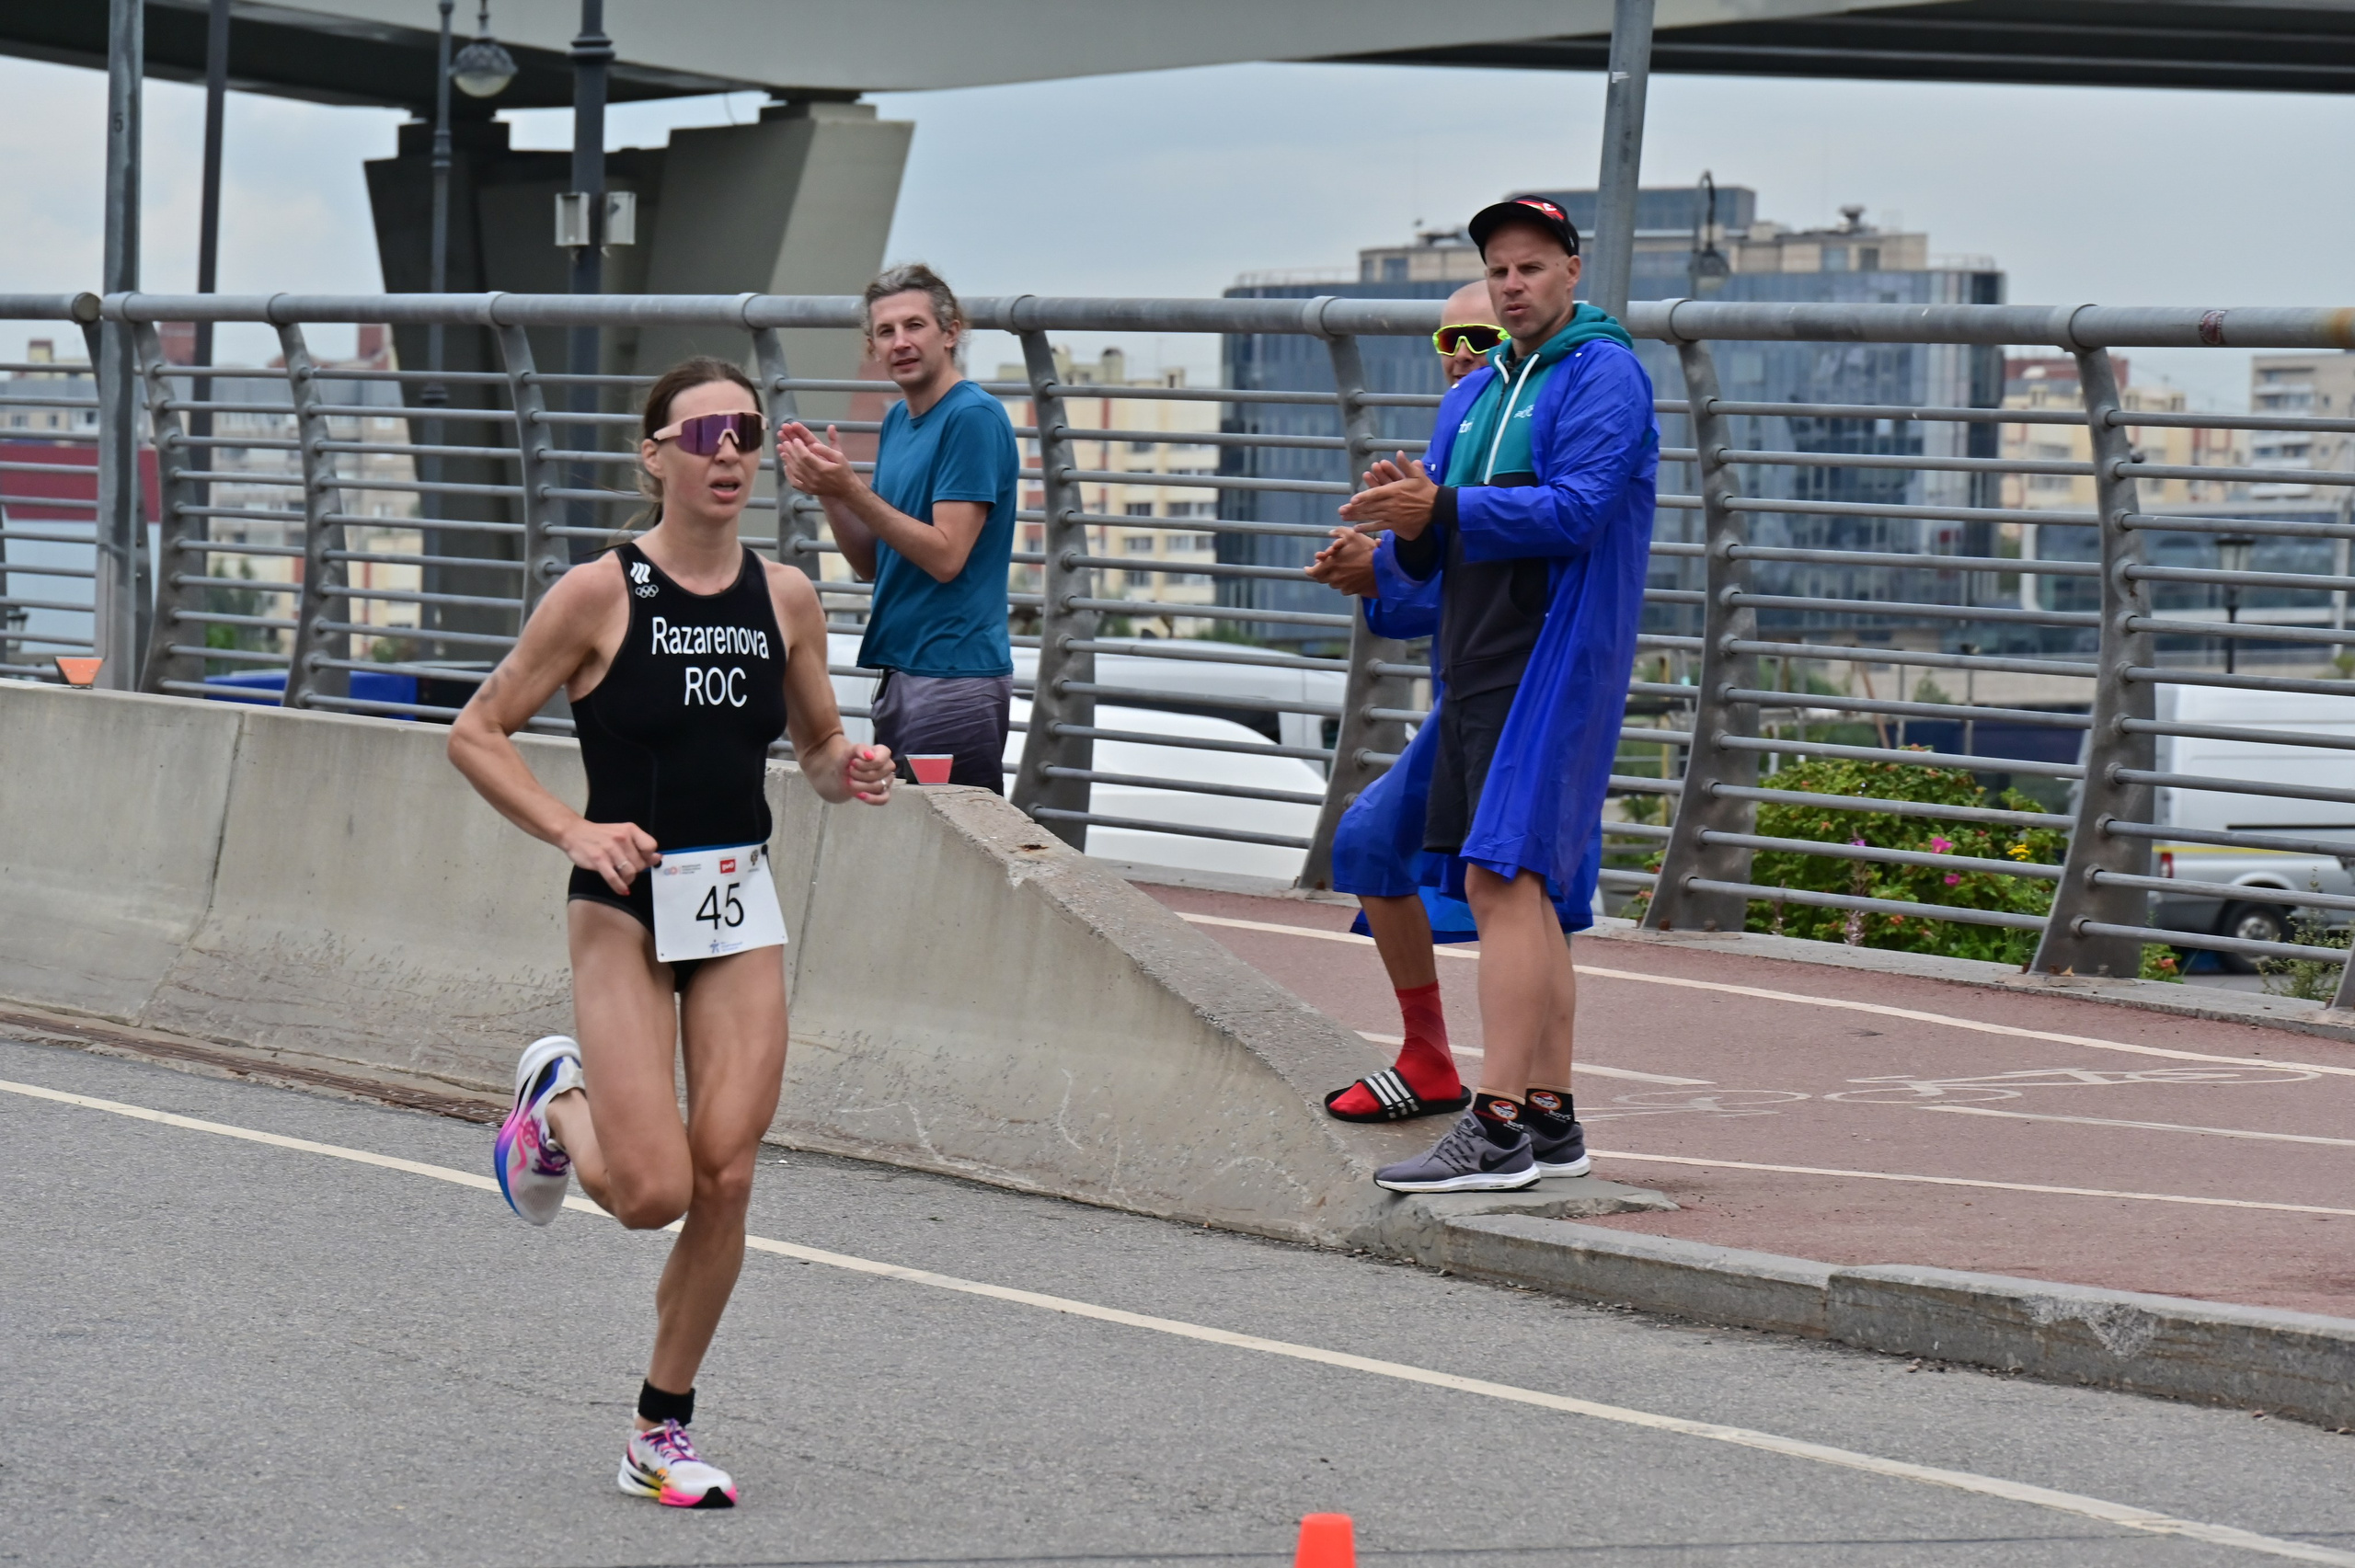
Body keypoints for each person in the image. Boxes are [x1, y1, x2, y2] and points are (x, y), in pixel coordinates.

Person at [448, 356, 896, 1509]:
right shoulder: (599, 592)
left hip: (734, 900)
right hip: (624, 906)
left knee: (728, 1173)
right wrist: (573, 829)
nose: (728, 451)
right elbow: (478, 731)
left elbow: (815, 747)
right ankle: (556, 1102)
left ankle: (660, 1429)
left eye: (743, 430)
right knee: (652, 1192)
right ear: (655, 457)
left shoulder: (785, 597)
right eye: (701, 435)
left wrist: (850, 768)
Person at [1332, 196, 1658, 1193]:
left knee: (1500, 880)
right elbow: (1442, 543)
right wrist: (1391, 545)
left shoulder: (1603, 372)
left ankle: (1497, 1127)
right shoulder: (1473, 397)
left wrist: (1440, 506)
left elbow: (1577, 510)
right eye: (1499, 270)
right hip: (1474, 665)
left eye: (1531, 267)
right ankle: (1550, 1121)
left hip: (1551, 659)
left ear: (1571, 270)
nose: (1513, 286)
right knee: (1520, 890)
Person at [1306, 280, 1502, 1124]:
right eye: (1447, 339)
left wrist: (1386, 565)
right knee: (1378, 843)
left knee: (1518, 887)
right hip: (1471, 683)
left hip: (1515, 688)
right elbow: (1445, 582)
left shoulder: (1527, 422)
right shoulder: (1465, 427)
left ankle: (1522, 1100)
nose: (1460, 353)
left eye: (1479, 336)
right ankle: (1437, 1062)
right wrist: (1380, 560)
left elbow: (1508, 568)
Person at [779, 263, 1019, 791]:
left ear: (951, 332)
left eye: (914, 326)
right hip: (903, 672)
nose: (900, 342)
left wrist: (851, 490)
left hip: (954, 676)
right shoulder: (896, 421)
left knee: (949, 836)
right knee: (908, 827)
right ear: (872, 346)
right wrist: (830, 492)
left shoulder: (972, 417)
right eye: (885, 331)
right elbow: (872, 563)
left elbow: (946, 556)